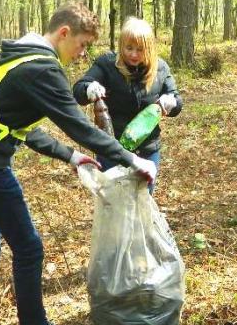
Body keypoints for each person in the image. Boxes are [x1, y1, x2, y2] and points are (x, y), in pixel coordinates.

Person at [0, 2, 157, 325]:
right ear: (64, 33)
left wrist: (71, 156)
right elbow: (78, 124)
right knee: (28, 248)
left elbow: (20, 126)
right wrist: (131, 159)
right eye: (81, 45)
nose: (82, 54)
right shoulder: (42, 68)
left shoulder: (20, 59)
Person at [73, 17, 182, 193]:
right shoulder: (107, 64)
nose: (133, 54)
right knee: (112, 199)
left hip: (147, 150)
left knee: (143, 199)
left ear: (149, 48)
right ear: (121, 45)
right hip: (111, 148)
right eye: (129, 48)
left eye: (140, 49)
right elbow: (79, 90)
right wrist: (89, 88)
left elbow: (177, 102)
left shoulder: (160, 68)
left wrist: (171, 102)